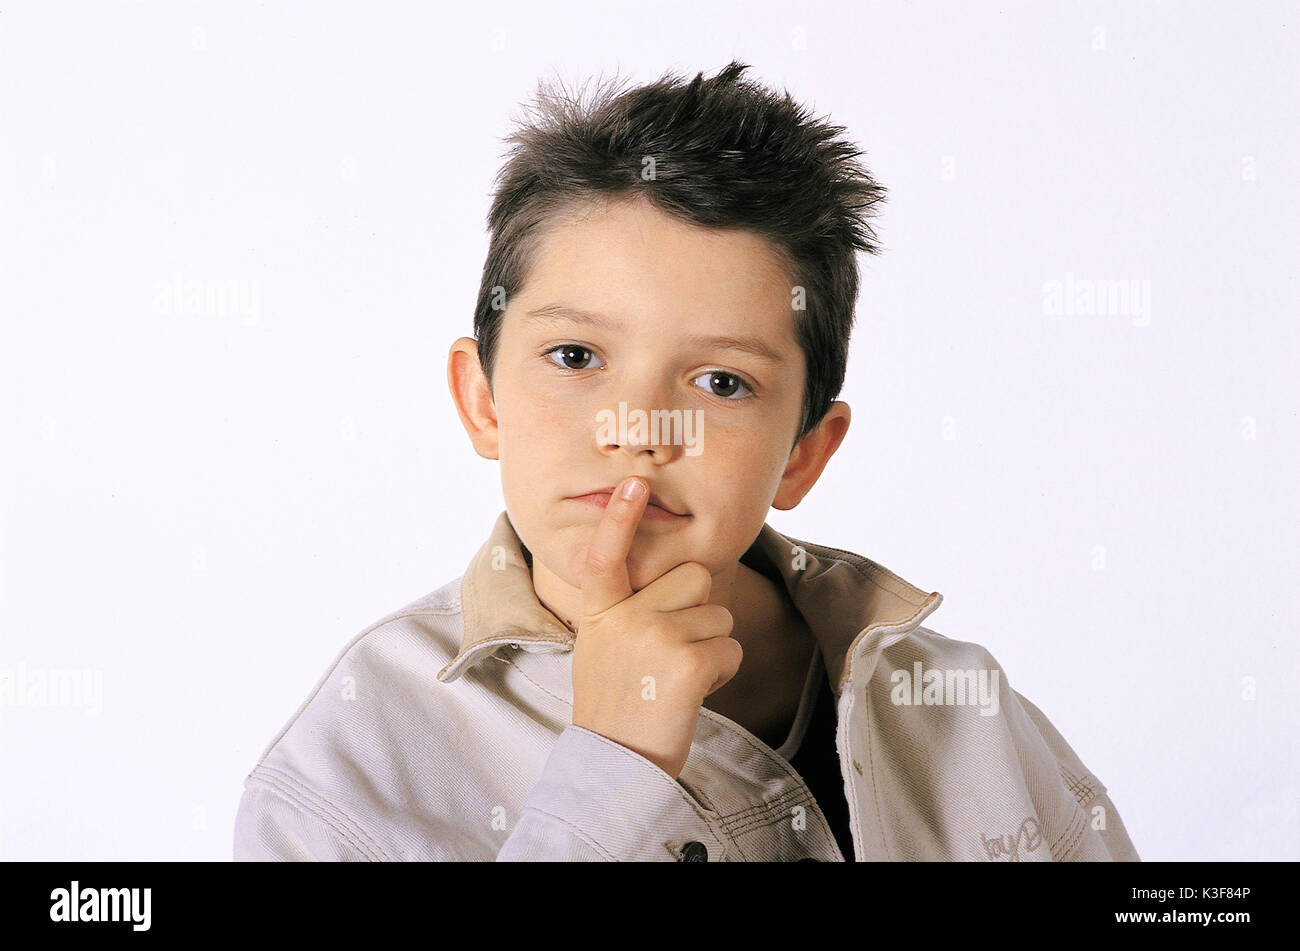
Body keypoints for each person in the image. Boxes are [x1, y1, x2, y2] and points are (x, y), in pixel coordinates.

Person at [233, 62, 1139, 861]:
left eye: (720, 380)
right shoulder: (346, 775)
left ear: (803, 453)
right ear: (482, 399)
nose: (639, 426)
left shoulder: (955, 706)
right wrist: (612, 769)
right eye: (577, 357)